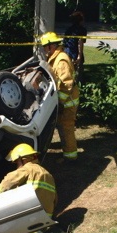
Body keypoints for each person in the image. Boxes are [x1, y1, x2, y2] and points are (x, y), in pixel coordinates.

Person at [0, 143, 57, 233]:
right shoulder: (48, 174)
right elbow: (55, 199)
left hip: (30, 213)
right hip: (47, 216)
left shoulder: (27, 169)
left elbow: (2, 188)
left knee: (8, 232)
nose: (17, 165)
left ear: (23, 159)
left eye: (17, 162)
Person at [40, 32, 80, 161]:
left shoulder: (61, 60)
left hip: (68, 102)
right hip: (65, 101)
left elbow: (66, 83)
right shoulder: (55, 57)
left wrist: (60, 102)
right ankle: (68, 154)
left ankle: (70, 157)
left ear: (51, 46)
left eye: (45, 47)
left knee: (66, 128)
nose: (44, 50)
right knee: (63, 128)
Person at [63, 10, 87, 83]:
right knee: (78, 73)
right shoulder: (82, 30)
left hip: (67, 52)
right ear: (81, 20)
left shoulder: (68, 29)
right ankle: (77, 85)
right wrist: (79, 56)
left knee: (67, 71)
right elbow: (80, 42)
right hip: (75, 52)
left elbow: (65, 42)